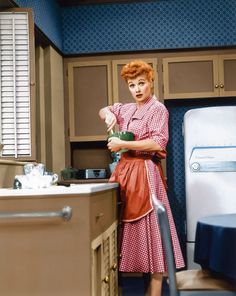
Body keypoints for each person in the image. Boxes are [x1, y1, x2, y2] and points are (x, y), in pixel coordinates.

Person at [99, 60, 184, 296]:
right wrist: (107, 115)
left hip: (145, 174)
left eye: (141, 83)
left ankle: (154, 292)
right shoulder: (126, 109)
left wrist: (122, 143)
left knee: (153, 234)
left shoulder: (158, 110)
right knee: (122, 234)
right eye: (131, 84)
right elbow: (105, 109)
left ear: (150, 82)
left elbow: (158, 142)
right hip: (124, 173)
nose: (137, 89)